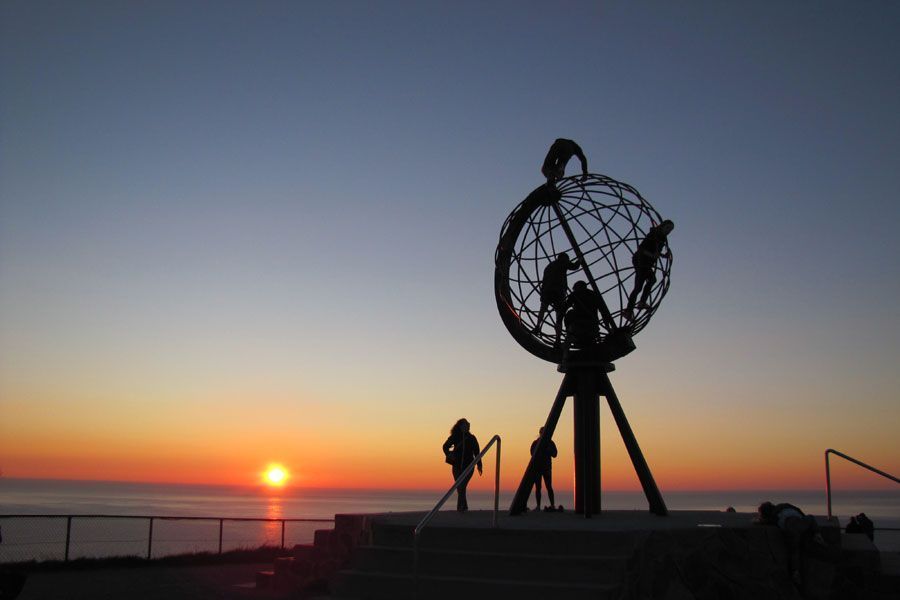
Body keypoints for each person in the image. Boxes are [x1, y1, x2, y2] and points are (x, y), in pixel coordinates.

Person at [756, 501, 824, 586]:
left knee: (794, 551)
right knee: (810, 519)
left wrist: (759, 521)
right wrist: (802, 516)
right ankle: (818, 535)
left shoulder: (774, 515)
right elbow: (798, 510)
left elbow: (766, 522)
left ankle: (795, 572)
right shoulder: (784, 505)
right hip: (800, 521)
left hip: (790, 529)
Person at [624, 220, 674, 319]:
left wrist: (663, 255)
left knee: (650, 280)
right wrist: (652, 255)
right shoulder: (653, 235)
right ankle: (629, 311)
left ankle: (640, 303)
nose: (669, 231)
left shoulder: (662, 238)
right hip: (641, 261)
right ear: (662, 226)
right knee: (639, 287)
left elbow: (654, 251)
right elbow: (641, 249)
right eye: (668, 228)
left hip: (647, 263)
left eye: (671, 230)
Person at [534, 252, 581, 346]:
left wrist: (542, 294)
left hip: (547, 291)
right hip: (558, 292)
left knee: (542, 310)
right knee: (559, 316)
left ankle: (537, 326)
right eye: (567, 259)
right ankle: (558, 339)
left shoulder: (549, 266)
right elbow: (574, 266)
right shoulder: (563, 262)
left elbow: (544, 281)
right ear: (564, 258)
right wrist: (580, 259)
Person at [442, 419, 483, 512]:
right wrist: (449, 454)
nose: (467, 427)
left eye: (468, 425)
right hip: (456, 466)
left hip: (469, 466)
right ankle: (464, 507)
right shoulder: (455, 437)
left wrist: (479, 465)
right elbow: (445, 446)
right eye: (465, 425)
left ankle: (460, 508)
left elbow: (477, 452)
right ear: (460, 426)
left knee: (462, 486)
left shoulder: (472, 438)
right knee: (460, 487)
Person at [564, 280, 604, 347]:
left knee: (569, 313)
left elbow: (565, 307)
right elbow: (603, 310)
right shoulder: (594, 294)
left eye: (574, 289)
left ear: (577, 288)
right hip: (593, 326)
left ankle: (568, 342)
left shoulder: (575, 294)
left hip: (578, 325)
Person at [530, 427, 558, 511]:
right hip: (538, 468)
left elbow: (555, 454)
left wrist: (548, 450)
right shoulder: (535, 443)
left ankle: (552, 505)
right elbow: (532, 454)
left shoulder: (550, 443)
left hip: (546, 468)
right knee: (538, 487)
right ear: (540, 433)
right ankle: (538, 506)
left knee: (549, 486)